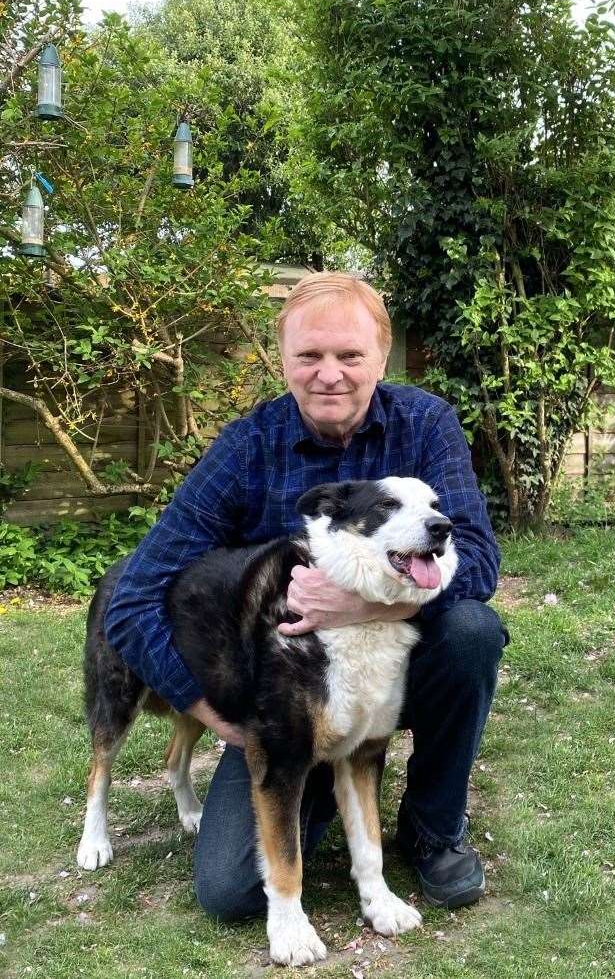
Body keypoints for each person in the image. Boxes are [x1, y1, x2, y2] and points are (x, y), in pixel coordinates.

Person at [104, 271, 505, 917]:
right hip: (288, 697)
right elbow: (134, 597)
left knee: (471, 633)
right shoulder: (246, 449)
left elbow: (480, 562)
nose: (329, 374)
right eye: (308, 356)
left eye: (349, 355)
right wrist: (217, 717)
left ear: (380, 354)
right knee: (231, 893)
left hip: (393, 668)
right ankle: (312, 786)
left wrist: (362, 604)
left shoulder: (425, 427)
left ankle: (432, 827)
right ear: (282, 358)